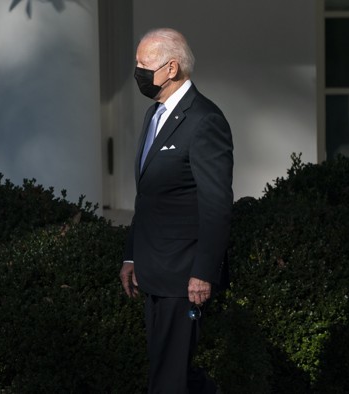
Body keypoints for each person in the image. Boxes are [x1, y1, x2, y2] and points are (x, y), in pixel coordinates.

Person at [119, 28, 233, 394]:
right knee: (173, 372)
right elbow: (150, 196)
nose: (137, 70)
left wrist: (203, 272)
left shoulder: (204, 120)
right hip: (152, 271)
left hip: (183, 276)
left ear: (171, 68)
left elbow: (216, 204)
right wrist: (132, 256)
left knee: (167, 380)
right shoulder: (155, 115)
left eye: (143, 64)